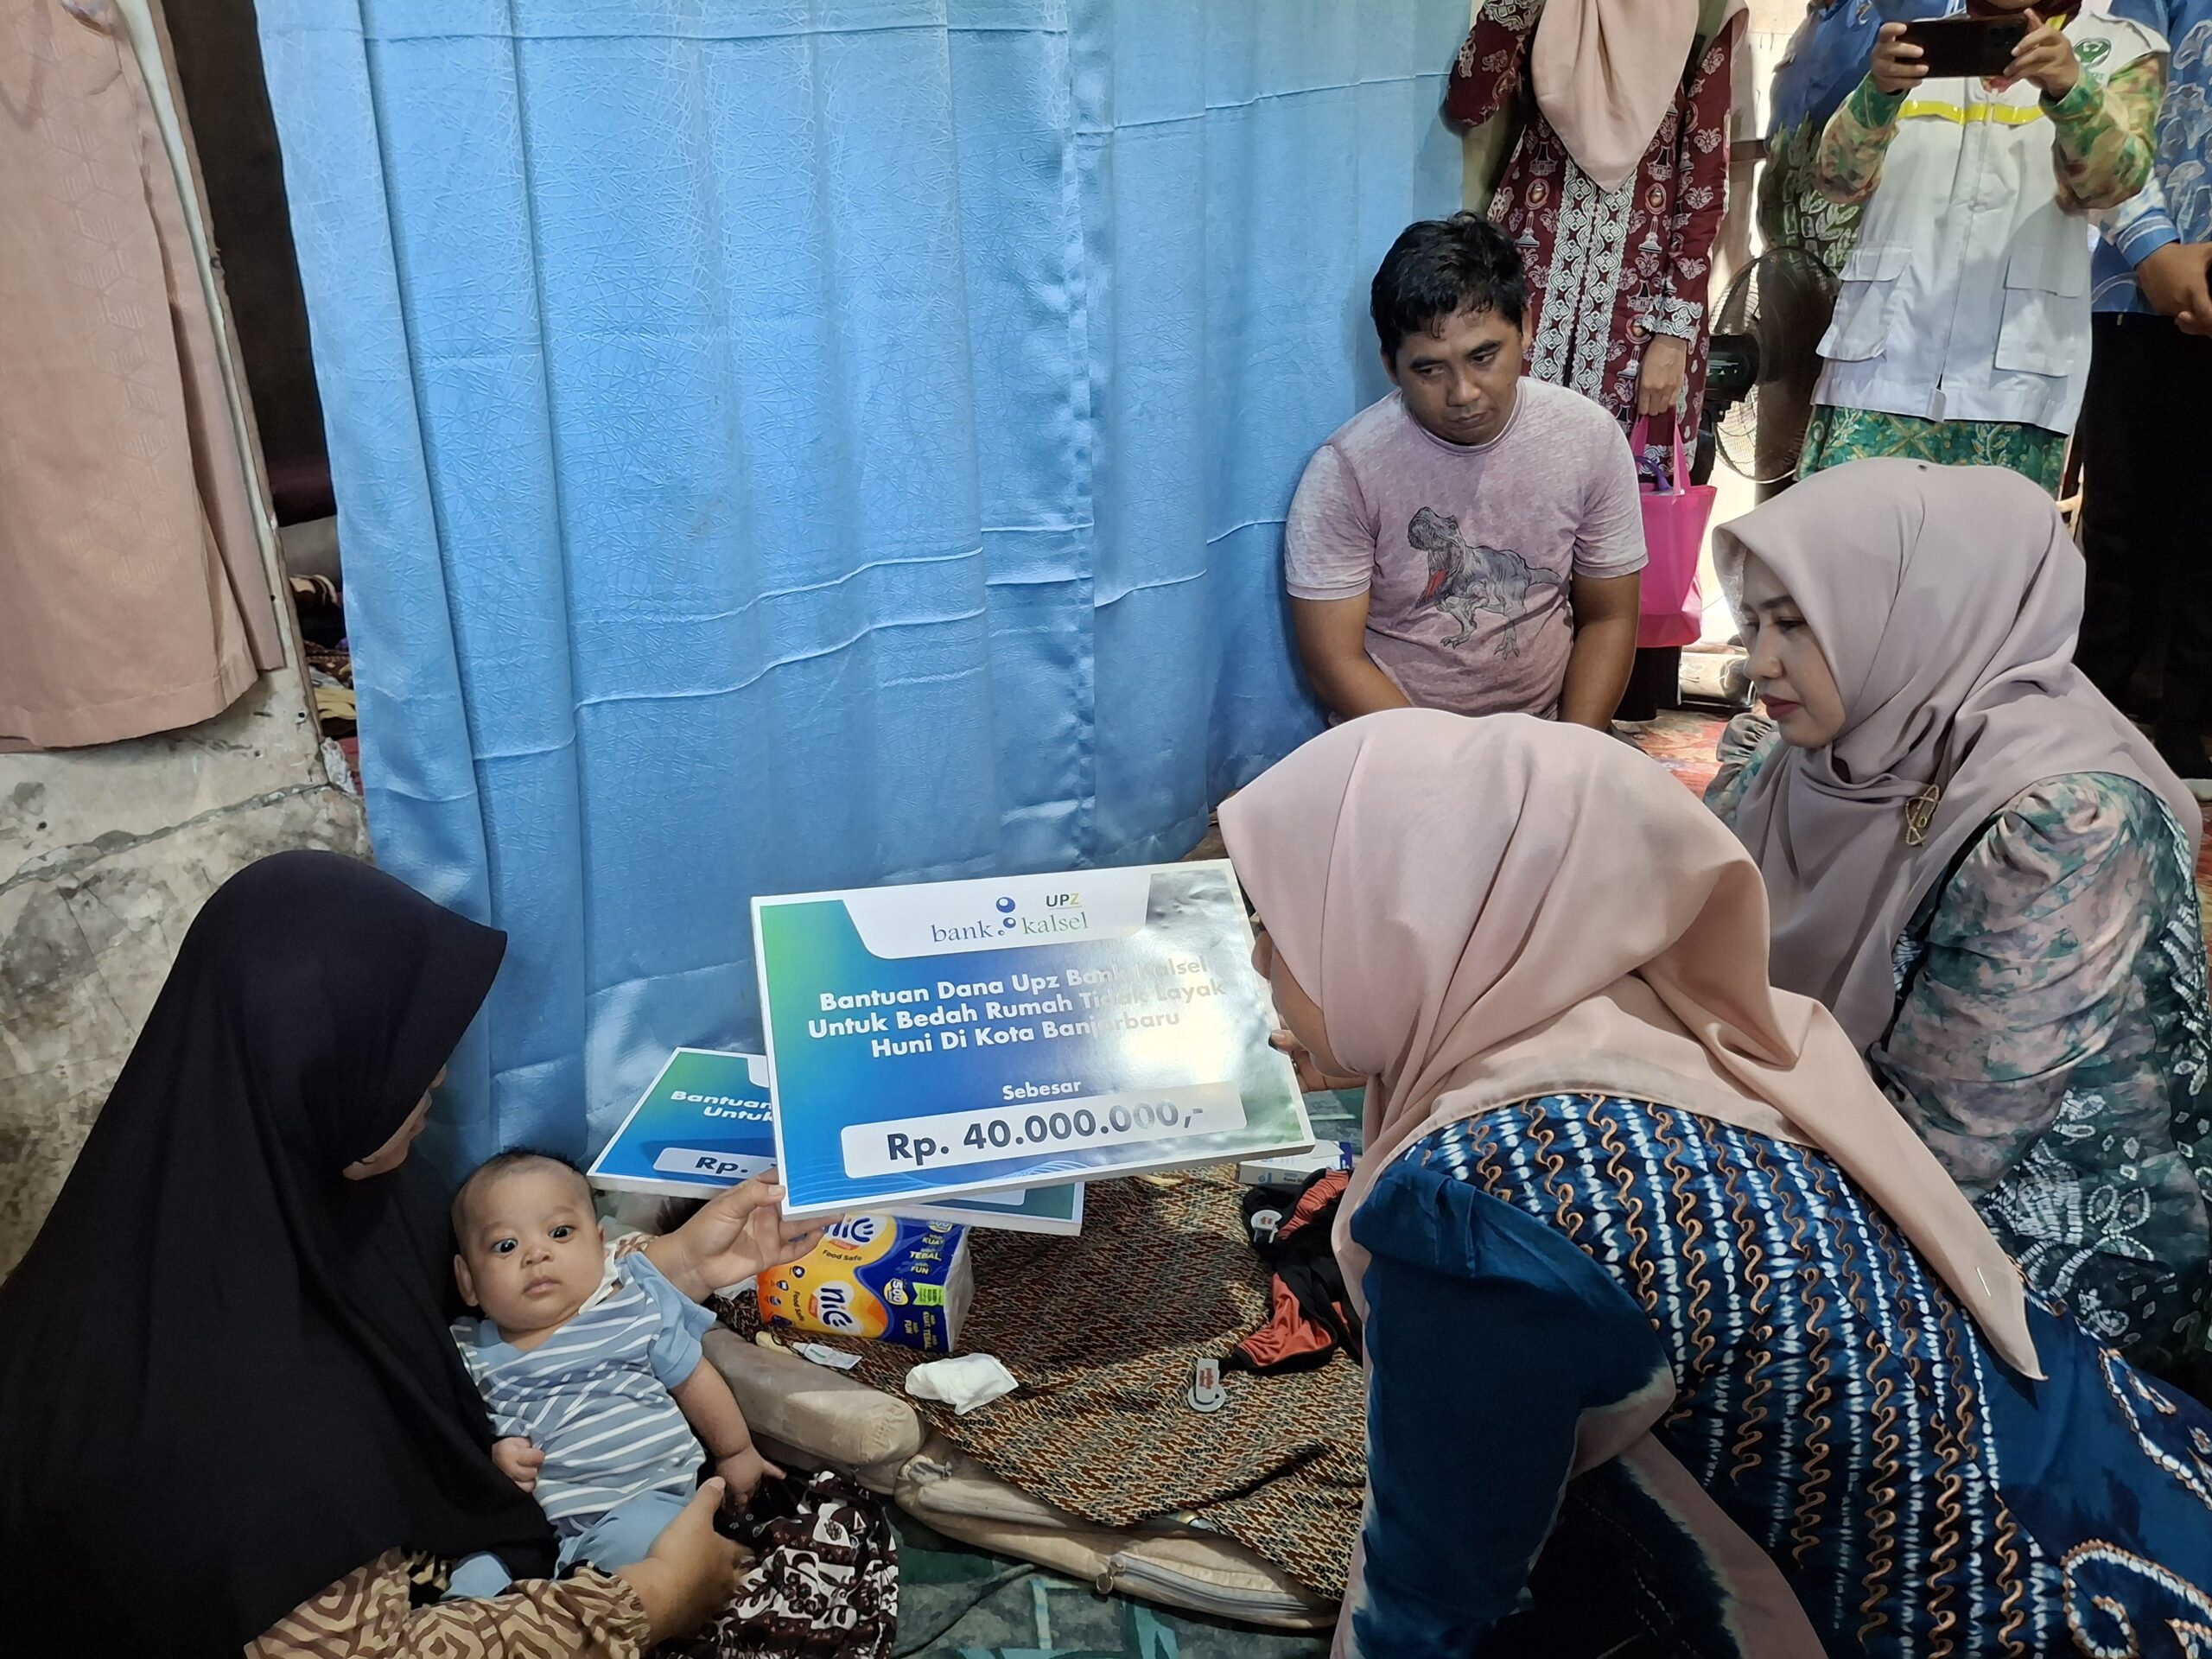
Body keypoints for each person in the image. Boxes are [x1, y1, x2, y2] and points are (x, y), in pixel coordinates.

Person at [1221, 708, 2212, 1654]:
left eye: (1283, 923)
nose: (1261, 961)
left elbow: (1433, 1585)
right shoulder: (1668, 1028)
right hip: (2151, 1501)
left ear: (1402, 924)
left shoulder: (1473, 1202)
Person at [0, 851, 830, 1657]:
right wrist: (649, 1601)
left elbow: (493, 1300)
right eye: (398, 1039)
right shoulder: (222, 1409)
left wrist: (682, 1264)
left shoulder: (317, 1191)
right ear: (311, 1062)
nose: (437, 1070)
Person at [1707, 460, 2212, 1387]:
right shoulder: (1793, 760)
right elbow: (1676, 964)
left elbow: (1950, 1143)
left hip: (2030, 1240)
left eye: (1797, 623)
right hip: (1813, 1148)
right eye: (1756, 621)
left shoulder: (2064, 823)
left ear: (1920, 614)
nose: (1757, 662)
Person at [1284, 213, 1643, 728]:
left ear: (1526, 327)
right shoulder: (1346, 472)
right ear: (1390, 366)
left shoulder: (1589, 438)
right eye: (1429, 369)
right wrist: (1447, 762)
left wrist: (1571, 751)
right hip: (1399, 744)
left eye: (1483, 356)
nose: (1464, 393)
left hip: (1549, 734)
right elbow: (1334, 662)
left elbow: (1609, 617)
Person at [1799, 0, 2165, 492]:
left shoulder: (2124, 49)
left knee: (1989, 542)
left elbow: (2113, 184)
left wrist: (2072, 90)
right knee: (1846, 535)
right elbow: (1837, 179)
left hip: (2014, 387)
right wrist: (1879, 92)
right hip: (1878, 369)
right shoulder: (1922, 43)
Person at [446, 1152, 783, 1599]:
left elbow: (693, 1378)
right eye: (505, 1246)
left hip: (649, 1499)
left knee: (643, 1551)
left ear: (600, 1245)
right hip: (540, 1531)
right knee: (475, 1579)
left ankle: (590, 1606)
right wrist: (494, 1456)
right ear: (468, 1280)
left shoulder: (632, 1306)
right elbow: (457, 1432)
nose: (536, 1254)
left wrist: (735, 1451)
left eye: (560, 1232)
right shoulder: (471, 1351)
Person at [2076, 0, 2212, 783]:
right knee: (2122, 524)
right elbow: (2109, 119)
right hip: (2137, 284)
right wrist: (2154, 251)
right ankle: (2092, 720)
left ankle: (2189, 722)